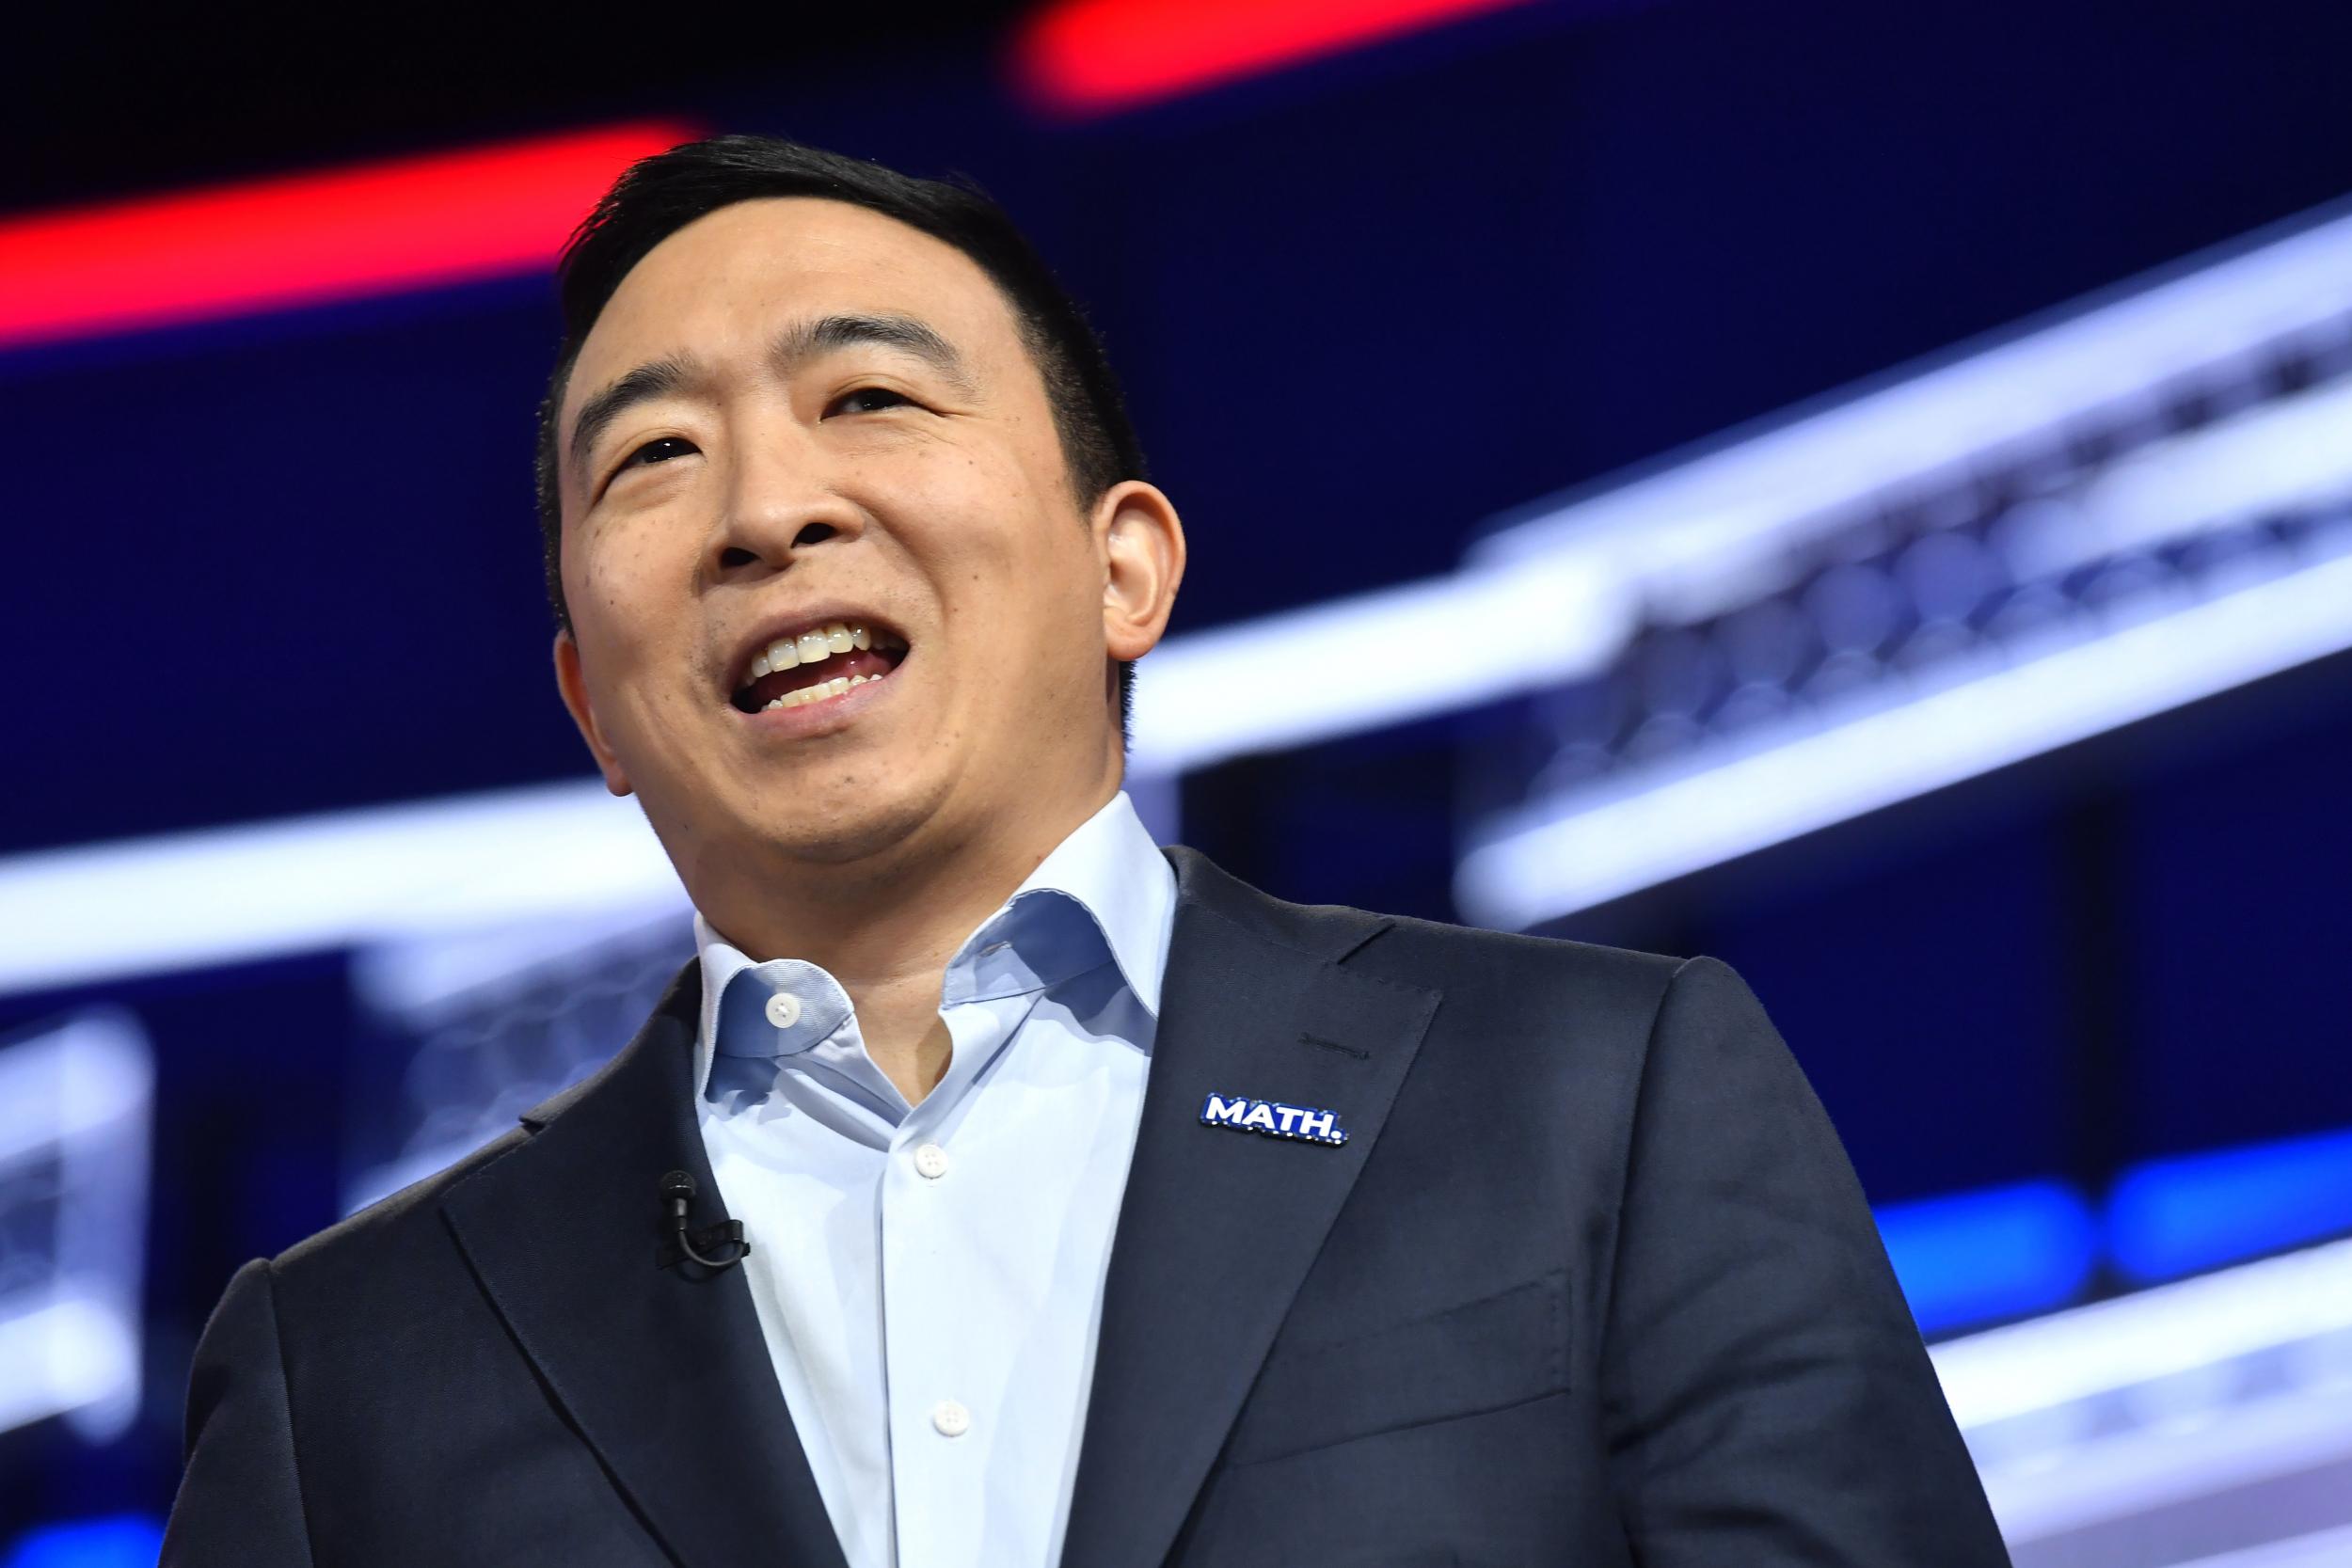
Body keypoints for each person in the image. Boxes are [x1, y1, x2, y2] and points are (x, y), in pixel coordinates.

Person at [161, 134, 2010, 1567]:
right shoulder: (348, 1374)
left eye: (867, 397)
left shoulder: (1594, 1100)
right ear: (591, 707)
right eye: (649, 461)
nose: (766, 509)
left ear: (1124, 564)